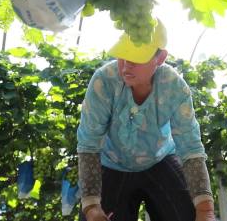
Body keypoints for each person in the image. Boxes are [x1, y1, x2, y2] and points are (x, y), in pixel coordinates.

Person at [77, 19, 216, 221]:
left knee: (190, 214)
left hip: (160, 160)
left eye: (137, 57)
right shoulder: (103, 81)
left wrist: (206, 212)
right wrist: (91, 207)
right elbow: (89, 144)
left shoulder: (173, 85)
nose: (126, 66)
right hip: (111, 164)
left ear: (160, 58)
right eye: (123, 55)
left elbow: (190, 147)